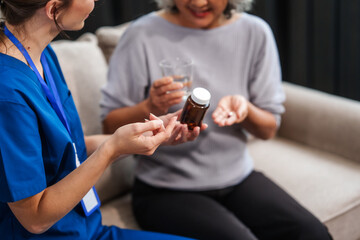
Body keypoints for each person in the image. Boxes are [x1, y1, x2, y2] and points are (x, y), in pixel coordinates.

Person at [100, 0, 334, 239]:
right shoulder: (142, 35)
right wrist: (149, 106)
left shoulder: (254, 33)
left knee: (313, 233)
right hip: (164, 188)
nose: (199, 2)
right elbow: (109, 125)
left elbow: (268, 130)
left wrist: (246, 111)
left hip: (237, 177)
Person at [0, 0, 201, 239]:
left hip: (87, 230)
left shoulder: (40, 54)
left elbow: (66, 150)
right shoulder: (8, 94)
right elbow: (34, 219)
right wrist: (111, 150)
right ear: (53, 8)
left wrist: (148, 137)